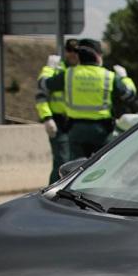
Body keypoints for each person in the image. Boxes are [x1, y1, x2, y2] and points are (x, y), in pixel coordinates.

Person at [38, 38, 136, 162]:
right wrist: (124, 77)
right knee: (103, 165)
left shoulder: (69, 74)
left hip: (76, 130)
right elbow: (129, 95)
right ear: (97, 57)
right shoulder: (108, 76)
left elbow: (43, 84)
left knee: (76, 169)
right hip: (102, 131)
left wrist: (49, 68)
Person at [36, 38, 78, 183]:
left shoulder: (80, 71)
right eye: (71, 51)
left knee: (76, 163)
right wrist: (46, 118)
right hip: (58, 121)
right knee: (62, 162)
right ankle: (53, 193)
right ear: (66, 52)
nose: (73, 55)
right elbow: (41, 96)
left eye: (76, 52)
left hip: (75, 122)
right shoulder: (56, 70)